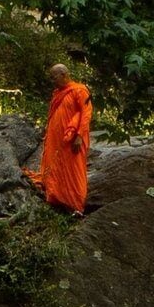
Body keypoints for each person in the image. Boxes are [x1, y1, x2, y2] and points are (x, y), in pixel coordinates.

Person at [27, 65, 91, 213]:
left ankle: (75, 205)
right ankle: (56, 198)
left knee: (73, 171)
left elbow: (86, 114)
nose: (52, 80)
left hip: (73, 140)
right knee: (56, 166)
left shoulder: (80, 91)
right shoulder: (58, 93)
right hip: (57, 140)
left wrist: (79, 136)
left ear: (64, 74)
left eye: (54, 76)